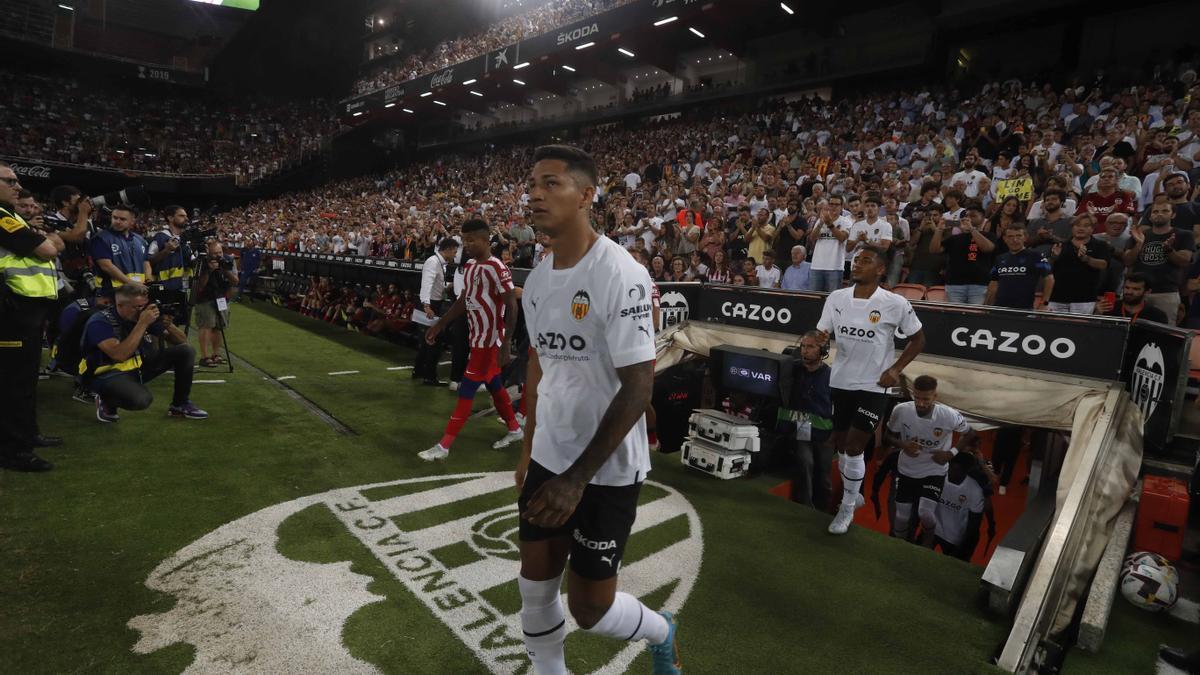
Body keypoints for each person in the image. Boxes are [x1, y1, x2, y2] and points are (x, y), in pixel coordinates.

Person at [514, 145, 680, 675]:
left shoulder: (620, 273)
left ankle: (661, 630)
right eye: (533, 183)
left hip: (604, 470)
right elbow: (539, 367)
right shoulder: (538, 279)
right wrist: (528, 448)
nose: (536, 193)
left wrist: (576, 479)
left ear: (587, 195)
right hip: (548, 456)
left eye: (551, 183)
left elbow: (639, 387)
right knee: (534, 589)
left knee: (590, 609)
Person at [816, 245, 926, 535]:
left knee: (854, 446)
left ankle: (847, 506)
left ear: (880, 269)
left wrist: (894, 370)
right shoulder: (836, 298)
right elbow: (823, 331)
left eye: (866, 261)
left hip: (873, 386)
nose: (857, 265)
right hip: (840, 381)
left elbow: (918, 340)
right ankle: (855, 493)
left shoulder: (895, 303)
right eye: (856, 260)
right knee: (840, 444)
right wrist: (818, 338)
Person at [419, 219, 524, 461]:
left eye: (471, 240)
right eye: (464, 240)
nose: (466, 245)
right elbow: (464, 301)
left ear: (486, 240)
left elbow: (512, 306)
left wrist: (506, 343)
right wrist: (440, 324)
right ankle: (515, 429)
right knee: (495, 386)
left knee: (466, 390)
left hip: (490, 341)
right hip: (477, 338)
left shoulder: (498, 267)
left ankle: (444, 446)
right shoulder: (471, 266)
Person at [0, 162, 61, 472]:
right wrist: (42, 241)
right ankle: (14, 450)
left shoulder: (10, 216)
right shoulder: (1, 217)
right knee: (15, 382)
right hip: (13, 309)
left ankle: (27, 435)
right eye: (9, 180)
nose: (17, 185)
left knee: (25, 379)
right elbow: (49, 250)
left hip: (26, 308)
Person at [80, 283, 208, 422]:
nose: (141, 311)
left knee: (186, 351)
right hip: (106, 374)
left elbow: (182, 341)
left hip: (136, 367)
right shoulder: (100, 321)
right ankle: (107, 400)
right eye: (137, 307)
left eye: (144, 306)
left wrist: (167, 324)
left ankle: (180, 405)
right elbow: (119, 355)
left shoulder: (139, 317)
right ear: (120, 305)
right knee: (141, 400)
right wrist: (142, 323)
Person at [883, 375, 976, 543]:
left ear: (935, 396)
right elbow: (888, 436)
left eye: (925, 399)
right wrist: (904, 445)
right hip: (907, 468)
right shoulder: (901, 410)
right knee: (901, 516)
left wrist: (951, 454)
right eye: (916, 397)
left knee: (925, 512)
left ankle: (926, 545)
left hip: (934, 469)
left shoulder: (949, 415)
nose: (920, 403)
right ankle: (898, 545)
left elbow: (969, 433)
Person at [1125, 199, 1194, 325]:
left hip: (1166, 292)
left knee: (1164, 334)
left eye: (1165, 211)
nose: (1159, 214)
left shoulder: (1184, 235)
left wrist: (1168, 250)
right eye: (1155, 211)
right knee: (1132, 331)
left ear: (1173, 214)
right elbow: (1128, 261)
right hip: (1138, 293)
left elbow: (1184, 261)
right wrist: (1139, 244)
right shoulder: (1139, 235)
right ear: (1150, 216)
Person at [787, 331, 833, 509]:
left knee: (823, 475)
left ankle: (822, 510)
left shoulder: (832, 375)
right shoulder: (793, 369)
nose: (805, 351)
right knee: (806, 463)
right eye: (803, 346)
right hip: (802, 427)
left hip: (825, 432)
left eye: (811, 346)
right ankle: (805, 507)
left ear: (822, 350)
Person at [413, 238, 459, 385]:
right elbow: (427, 283)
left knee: (427, 340)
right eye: (454, 251)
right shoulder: (433, 262)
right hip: (430, 305)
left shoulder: (439, 263)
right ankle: (430, 377)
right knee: (434, 340)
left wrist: (448, 286)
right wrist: (427, 305)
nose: (455, 255)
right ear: (448, 249)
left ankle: (418, 371)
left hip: (433, 303)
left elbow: (436, 284)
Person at [930, 203, 996, 305]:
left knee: (975, 317)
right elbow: (934, 250)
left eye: (973, 216)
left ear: (983, 219)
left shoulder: (989, 236)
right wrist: (939, 230)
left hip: (979, 285)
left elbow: (987, 248)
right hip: (954, 284)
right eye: (966, 216)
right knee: (955, 318)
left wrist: (972, 230)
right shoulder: (955, 238)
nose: (968, 219)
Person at [933, 452, 994, 561]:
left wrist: (962, 548)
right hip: (933, 530)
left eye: (957, 470)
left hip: (956, 539)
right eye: (951, 468)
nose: (952, 473)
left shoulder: (975, 490)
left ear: (966, 471)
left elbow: (974, 525)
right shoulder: (938, 477)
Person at [1046, 215, 1109, 315]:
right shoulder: (1060, 245)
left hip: (1084, 300)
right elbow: (1045, 268)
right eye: (1077, 225)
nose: (1081, 228)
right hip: (1057, 298)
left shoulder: (1100, 245)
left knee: (1080, 329)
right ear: (1072, 228)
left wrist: (1085, 258)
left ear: (1092, 229)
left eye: (1086, 225)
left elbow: (1103, 265)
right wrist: (1053, 257)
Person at [193, 240, 239, 367]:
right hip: (204, 298)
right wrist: (209, 270)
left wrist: (224, 270)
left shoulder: (229, 260)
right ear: (209, 253)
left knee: (219, 326)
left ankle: (216, 354)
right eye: (215, 254)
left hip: (222, 297)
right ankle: (205, 356)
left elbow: (235, 281)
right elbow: (199, 285)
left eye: (220, 252)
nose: (218, 256)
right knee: (206, 325)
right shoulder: (202, 261)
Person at [986, 224, 1053, 310]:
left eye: (1019, 236)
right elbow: (993, 283)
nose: (1014, 240)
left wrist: (1045, 303)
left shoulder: (1036, 256)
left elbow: (1049, 279)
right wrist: (987, 306)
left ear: (1025, 237)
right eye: (1010, 236)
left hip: (1023, 310)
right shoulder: (1000, 258)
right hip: (999, 309)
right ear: (1005, 239)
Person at [90, 206, 152, 298]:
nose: (117, 221)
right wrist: (130, 283)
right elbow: (106, 266)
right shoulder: (101, 238)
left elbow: (145, 262)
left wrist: (148, 279)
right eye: (115, 218)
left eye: (122, 219)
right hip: (112, 292)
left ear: (132, 221)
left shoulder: (140, 240)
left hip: (138, 291)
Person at [807, 198, 850, 292]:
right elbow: (812, 238)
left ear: (842, 207)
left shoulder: (845, 221)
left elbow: (842, 238)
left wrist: (830, 224)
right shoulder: (820, 220)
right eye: (831, 204)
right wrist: (820, 223)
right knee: (813, 298)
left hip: (835, 266)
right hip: (816, 265)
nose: (833, 206)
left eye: (837, 204)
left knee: (832, 298)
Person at [148, 205, 192, 294]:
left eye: (186, 216)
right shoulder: (160, 237)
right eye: (182, 216)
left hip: (185, 286)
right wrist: (166, 251)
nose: (186, 219)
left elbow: (191, 262)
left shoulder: (186, 238)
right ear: (170, 218)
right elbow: (150, 260)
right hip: (166, 288)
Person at [1095, 273, 1169, 323]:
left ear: (1147, 292)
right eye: (1127, 288)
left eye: (1135, 289)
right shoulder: (1108, 308)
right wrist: (1097, 314)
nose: (1129, 292)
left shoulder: (1157, 316)